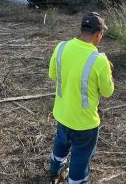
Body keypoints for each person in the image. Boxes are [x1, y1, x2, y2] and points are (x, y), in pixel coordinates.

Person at [48, 12, 114, 184]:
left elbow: (53, 75)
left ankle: (54, 171)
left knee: (61, 144)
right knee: (80, 158)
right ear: (99, 34)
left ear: (80, 29)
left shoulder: (61, 47)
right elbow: (107, 92)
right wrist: (109, 71)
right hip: (85, 123)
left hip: (62, 114)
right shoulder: (100, 60)